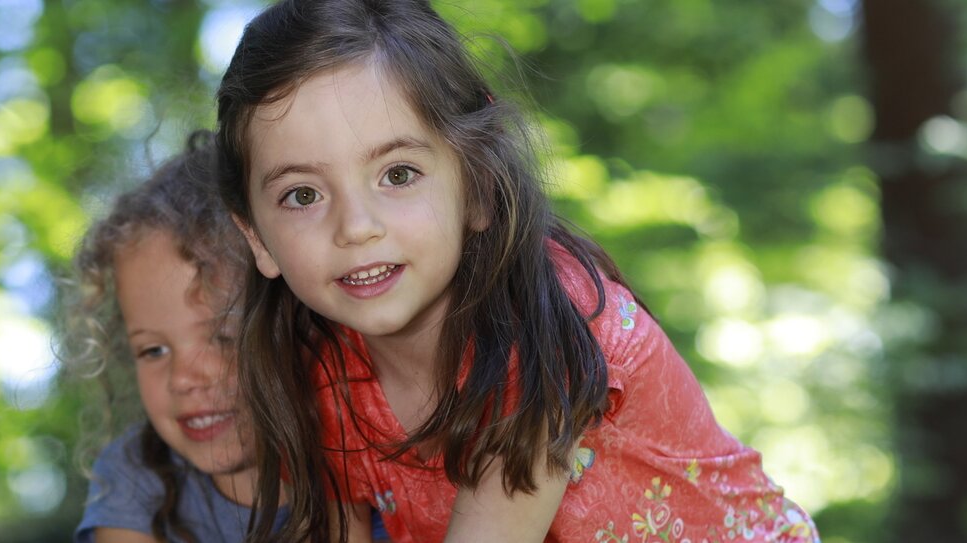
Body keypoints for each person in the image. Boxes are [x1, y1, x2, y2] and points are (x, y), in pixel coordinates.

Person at [212, 1, 820, 541]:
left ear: (477, 187)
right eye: (302, 195)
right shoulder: (325, 374)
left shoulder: (554, 318)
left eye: (398, 175)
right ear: (257, 239)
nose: (355, 227)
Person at [65, 132, 273, 542]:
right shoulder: (135, 475)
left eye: (221, 335)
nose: (182, 378)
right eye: (153, 349)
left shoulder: (375, 454)